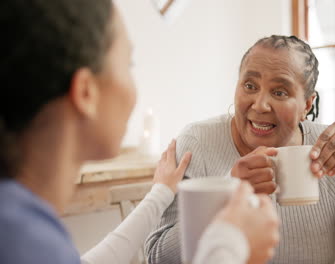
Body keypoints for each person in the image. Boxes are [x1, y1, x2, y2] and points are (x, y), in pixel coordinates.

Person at [0, 1, 279, 264]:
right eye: (128, 64)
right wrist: (231, 247)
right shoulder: (21, 240)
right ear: (86, 92)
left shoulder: (21, 229)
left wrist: (159, 194)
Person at [145, 35, 335, 264]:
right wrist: (227, 194)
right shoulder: (198, 143)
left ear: (307, 104)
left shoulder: (330, 149)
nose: (260, 105)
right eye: (250, 86)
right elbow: (157, 256)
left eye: (280, 92)